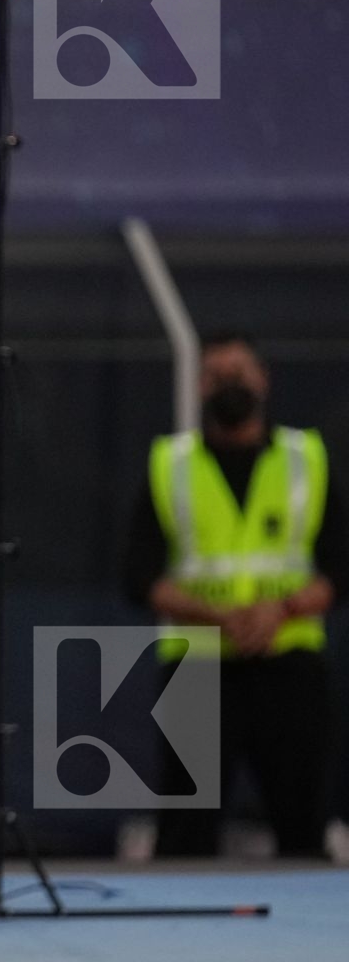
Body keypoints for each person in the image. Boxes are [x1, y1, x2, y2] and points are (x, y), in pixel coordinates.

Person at [123, 330, 344, 858]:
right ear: (200, 386)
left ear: (264, 380)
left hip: (289, 664)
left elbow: (339, 568)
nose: (231, 385)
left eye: (241, 373)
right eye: (219, 376)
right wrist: (220, 616)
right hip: (196, 669)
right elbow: (138, 579)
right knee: (184, 835)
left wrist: (280, 611)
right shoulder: (170, 466)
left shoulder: (306, 459)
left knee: (303, 827)